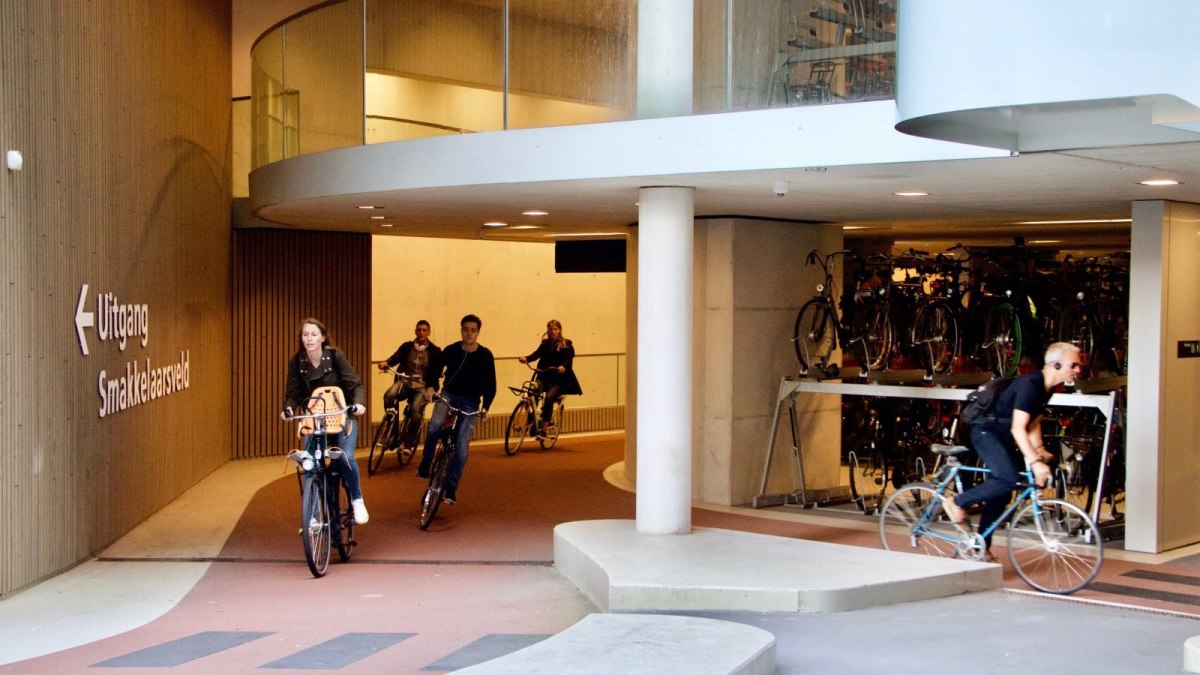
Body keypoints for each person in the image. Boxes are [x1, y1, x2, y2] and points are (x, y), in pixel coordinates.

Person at [943, 342, 1083, 556]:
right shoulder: (1030, 385)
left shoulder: (1046, 388)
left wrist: (1039, 449)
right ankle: (957, 502)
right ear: (1056, 365)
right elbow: (1019, 428)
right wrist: (1035, 463)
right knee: (1007, 479)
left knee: (1002, 492)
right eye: (1073, 365)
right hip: (985, 432)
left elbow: (1033, 420)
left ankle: (979, 546)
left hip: (1002, 435)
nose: (1078, 370)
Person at [283, 317, 370, 525]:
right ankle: (312, 514)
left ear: (322, 337)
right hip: (315, 419)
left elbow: (356, 385)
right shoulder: (297, 362)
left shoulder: (335, 356)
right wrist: (288, 408)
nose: (309, 338)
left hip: (342, 416)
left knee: (345, 456)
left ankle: (357, 498)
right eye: (305, 335)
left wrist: (358, 404)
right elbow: (292, 393)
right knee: (310, 463)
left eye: (313, 334)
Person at [418, 314, 496, 505]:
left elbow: (490, 384)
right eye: (465, 329)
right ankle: (427, 460)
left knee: (461, 446)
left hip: (470, 403)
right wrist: (431, 387)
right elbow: (435, 370)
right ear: (461, 330)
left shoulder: (485, 355)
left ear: (478, 332)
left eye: (473, 330)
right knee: (435, 423)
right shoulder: (452, 350)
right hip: (449, 395)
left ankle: (451, 488)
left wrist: (485, 407)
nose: (469, 334)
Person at [377, 319, 442, 446]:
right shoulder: (407, 346)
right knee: (389, 396)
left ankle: (409, 442)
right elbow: (395, 357)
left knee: (415, 410)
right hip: (405, 382)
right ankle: (391, 430)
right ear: (415, 331)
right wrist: (386, 363)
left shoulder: (435, 351)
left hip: (422, 386)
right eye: (419, 330)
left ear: (429, 332)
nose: (421, 332)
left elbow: (436, 372)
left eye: (424, 330)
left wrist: (432, 388)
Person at [518, 319, 583, 436]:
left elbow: (569, 359)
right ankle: (532, 417)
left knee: (549, 398)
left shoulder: (566, 344)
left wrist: (563, 366)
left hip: (559, 380)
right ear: (547, 330)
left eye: (555, 329)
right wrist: (526, 358)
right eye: (550, 329)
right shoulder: (545, 343)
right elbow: (536, 354)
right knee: (533, 390)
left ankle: (544, 429)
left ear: (559, 330)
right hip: (544, 376)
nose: (553, 331)